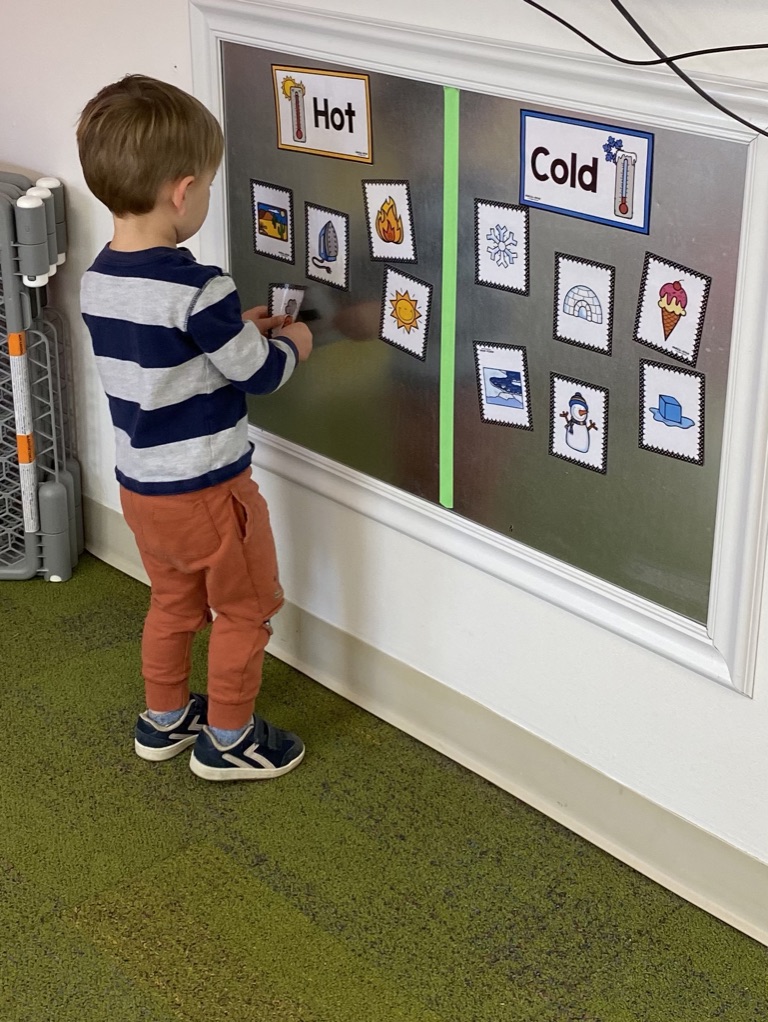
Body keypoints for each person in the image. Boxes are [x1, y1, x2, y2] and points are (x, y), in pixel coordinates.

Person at [76, 74, 313, 781]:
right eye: (208, 184)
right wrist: (295, 343)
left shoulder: (99, 279)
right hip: (209, 493)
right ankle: (230, 739)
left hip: (143, 490)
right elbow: (259, 375)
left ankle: (165, 719)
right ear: (184, 192)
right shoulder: (199, 287)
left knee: (173, 604)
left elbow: (166, 356)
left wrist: (234, 330)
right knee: (245, 610)